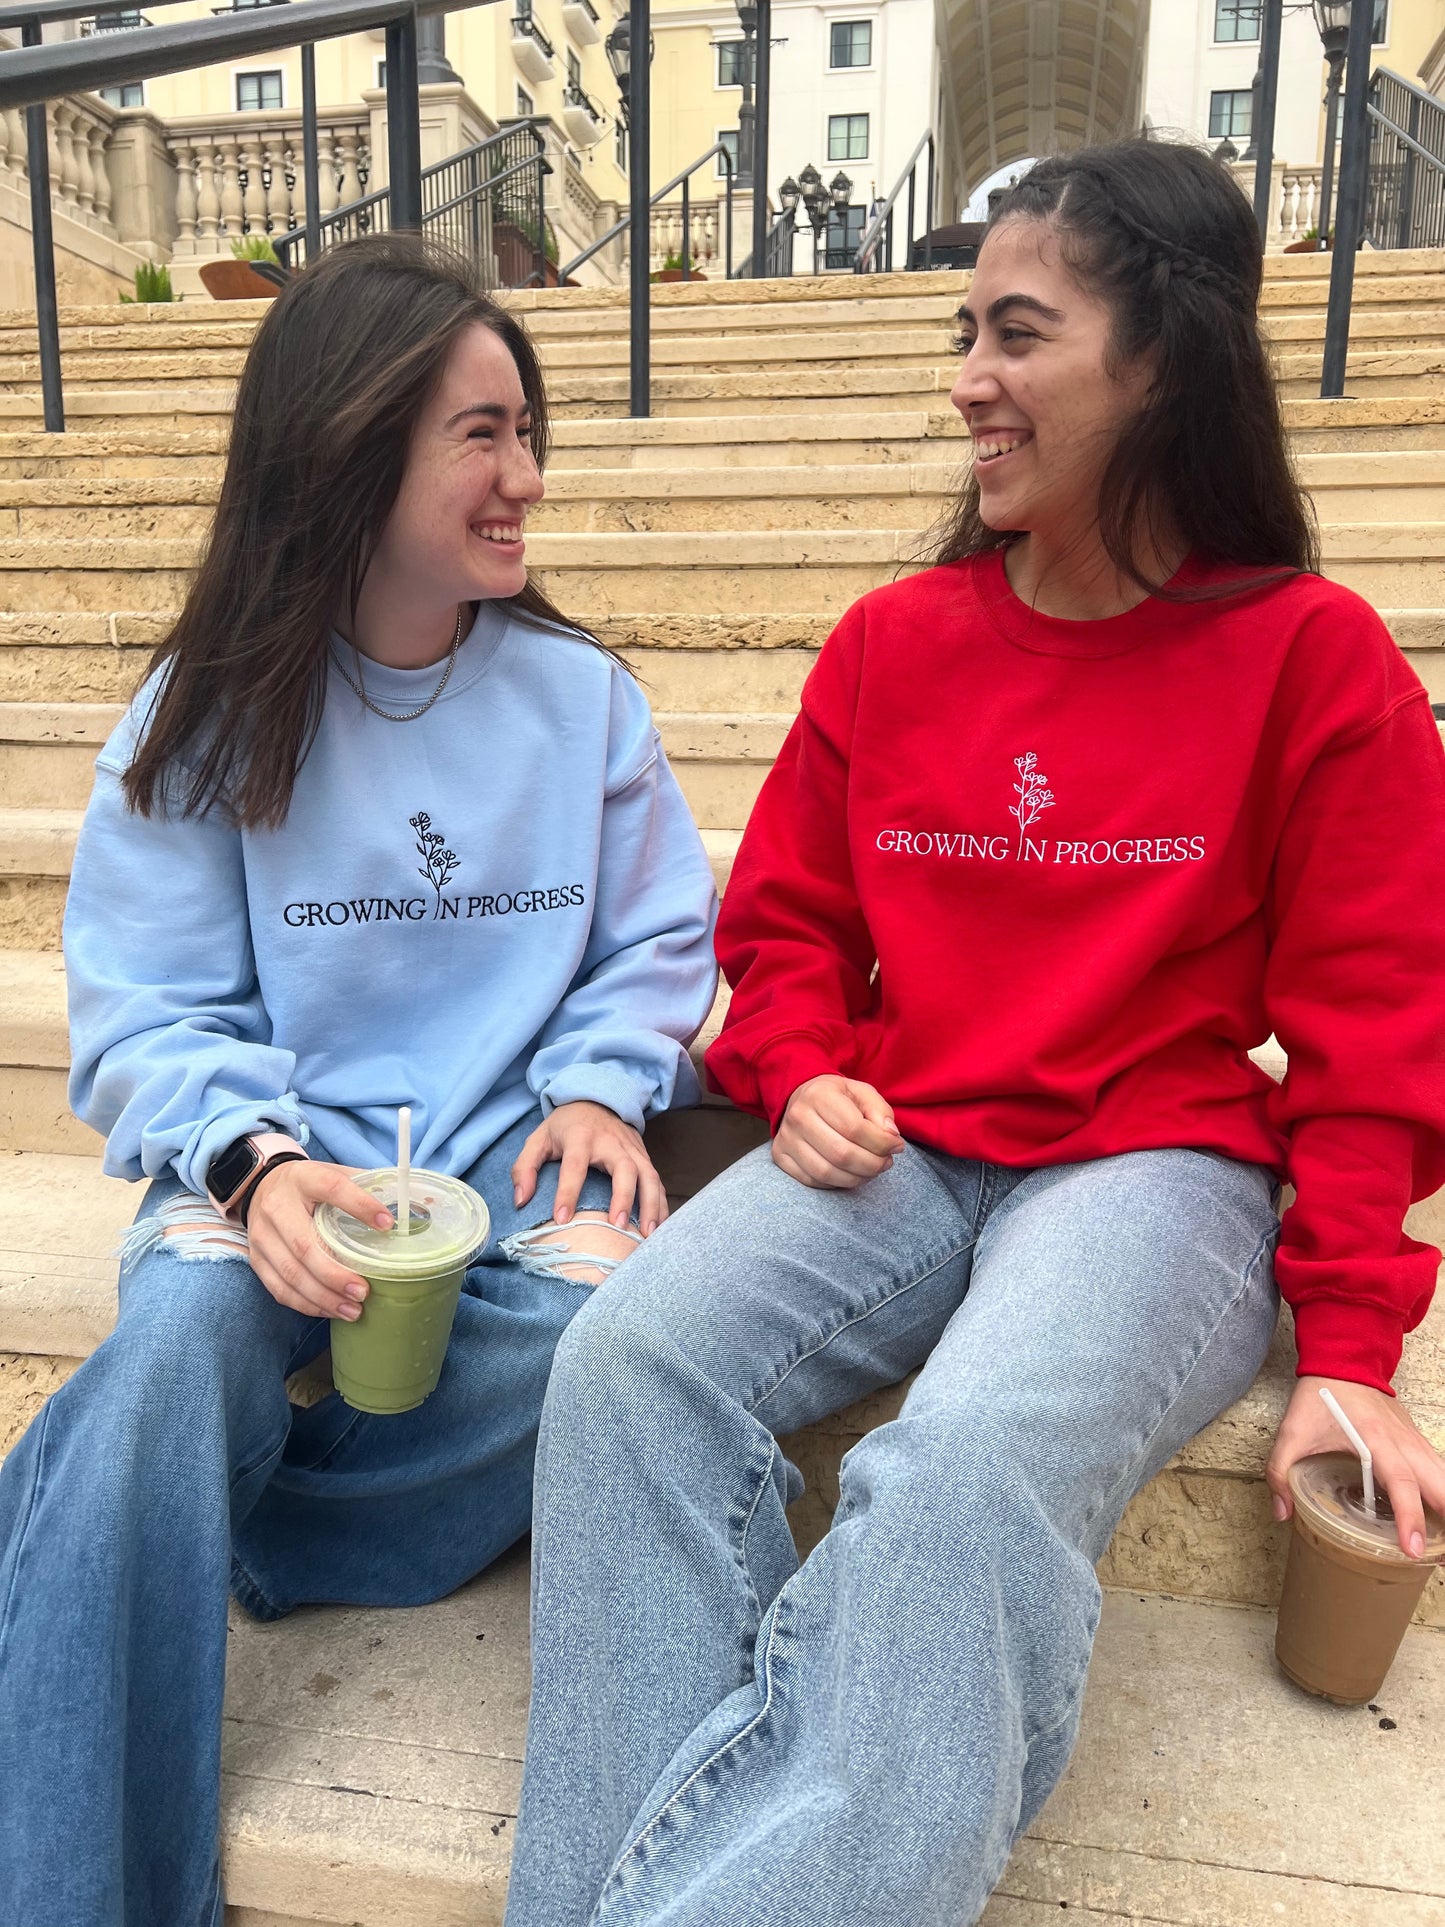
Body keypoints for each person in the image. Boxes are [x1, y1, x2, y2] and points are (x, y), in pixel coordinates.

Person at [503, 138, 1445, 1927]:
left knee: (958, 1473)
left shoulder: (1317, 662)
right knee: (623, 1368)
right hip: (901, 1138)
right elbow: (779, 920)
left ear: (1161, 358)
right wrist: (800, 1063)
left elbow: (1376, 1037)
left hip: (1155, 1168)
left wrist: (1345, 1336)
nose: (966, 381)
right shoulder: (892, 644)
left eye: (1016, 332)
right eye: (964, 331)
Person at [0, 234, 717, 1927]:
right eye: (481, 434)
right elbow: (144, 1009)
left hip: (510, 1169)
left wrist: (606, 1086)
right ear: (350, 440)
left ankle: (259, 1538)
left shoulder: (583, 705)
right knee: (173, 1357)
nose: (524, 475)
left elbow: (655, 943)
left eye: (526, 430)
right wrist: (252, 1167)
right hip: (278, 1176)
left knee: (602, 1337)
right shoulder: (203, 714)